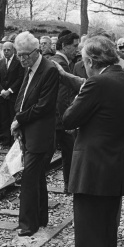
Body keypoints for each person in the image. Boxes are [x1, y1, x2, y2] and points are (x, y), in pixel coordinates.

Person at [62, 35, 124, 247]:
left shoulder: (97, 83)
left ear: (92, 61)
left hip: (92, 170)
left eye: (84, 62)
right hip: (114, 167)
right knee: (106, 233)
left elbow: (70, 118)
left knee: (89, 233)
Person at [11, 31, 59, 237]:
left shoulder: (49, 70)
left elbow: (44, 106)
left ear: (37, 51)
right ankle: (40, 218)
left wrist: (20, 119)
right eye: (19, 55)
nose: (21, 59)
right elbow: (24, 97)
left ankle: (28, 224)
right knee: (37, 176)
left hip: (41, 133)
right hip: (30, 131)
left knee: (29, 178)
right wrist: (18, 119)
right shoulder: (29, 68)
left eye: (25, 55)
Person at [50, 31, 80, 193]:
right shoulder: (62, 63)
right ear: (63, 46)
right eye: (74, 46)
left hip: (54, 118)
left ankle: (69, 185)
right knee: (69, 153)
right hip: (60, 120)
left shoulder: (54, 61)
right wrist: (67, 119)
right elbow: (62, 96)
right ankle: (69, 185)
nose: (77, 49)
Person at [0, 41, 24, 146]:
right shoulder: (0, 62)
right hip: (2, 96)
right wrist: (2, 91)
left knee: (13, 117)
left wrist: (9, 90)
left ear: (13, 50)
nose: (6, 52)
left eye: (8, 50)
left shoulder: (19, 61)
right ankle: (6, 140)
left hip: (13, 95)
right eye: (4, 50)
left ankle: (14, 140)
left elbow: (20, 78)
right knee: (4, 119)